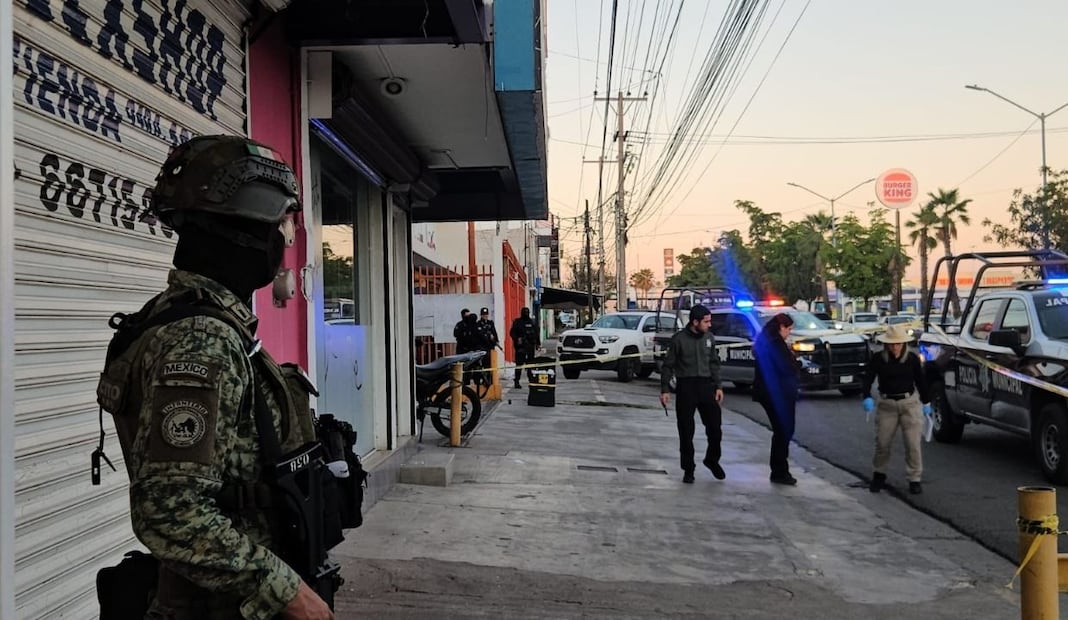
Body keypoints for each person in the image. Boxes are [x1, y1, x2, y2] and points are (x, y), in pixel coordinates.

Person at [96, 136, 334, 619]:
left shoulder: (195, 322)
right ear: (245, 230)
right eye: (282, 229)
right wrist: (290, 594)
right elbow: (170, 511)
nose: (283, 246)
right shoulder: (201, 339)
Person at [861, 323, 932, 495]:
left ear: (904, 344)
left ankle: (914, 478)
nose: (895, 347)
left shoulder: (912, 359)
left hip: (909, 403)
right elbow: (868, 378)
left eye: (898, 343)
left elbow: (920, 380)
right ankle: (879, 474)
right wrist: (867, 397)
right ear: (886, 344)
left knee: (912, 443)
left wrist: (926, 402)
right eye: (892, 343)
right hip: (887, 404)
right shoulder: (878, 358)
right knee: (883, 442)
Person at [658, 304, 725, 484]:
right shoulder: (678, 339)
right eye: (706, 321)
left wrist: (718, 385)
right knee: (686, 431)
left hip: (706, 386)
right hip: (686, 386)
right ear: (695, 322)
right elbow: (668, 365)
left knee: (715, 428)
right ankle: (688, 469)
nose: (709, 325)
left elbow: (714, 363)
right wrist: (665, 389)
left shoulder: (709, 338)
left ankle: (712, 460)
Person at [752, 313, 800, 485]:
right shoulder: (775, 344)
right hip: (778, 394)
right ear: (781, 327)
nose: (789, 333)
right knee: (784, 431)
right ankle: (780, 470)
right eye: (789, 329)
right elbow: (785, 368)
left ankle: (779, 469)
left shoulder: (765, 342)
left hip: (771, 393)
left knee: (782, 431)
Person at [509, 307, 539, 389]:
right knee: (519, 365)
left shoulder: (532, 322)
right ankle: (517, 381)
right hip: (520, 347)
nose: (526, 314)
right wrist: (517, 338)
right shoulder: (517, 322)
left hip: (530, 346)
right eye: (524, 312)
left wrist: (538, 344)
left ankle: (531, 381)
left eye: (527, 312)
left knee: (530, 365)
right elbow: (512, 333)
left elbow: (536, 333)